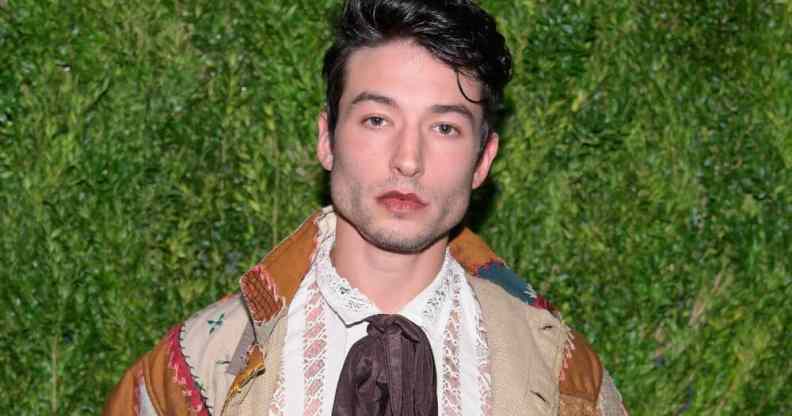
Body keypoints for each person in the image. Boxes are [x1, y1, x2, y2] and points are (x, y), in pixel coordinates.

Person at [104, 0, 628, 415]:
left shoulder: (560, 375)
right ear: (327, 139)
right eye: (377, 119)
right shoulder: (199, 368)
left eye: (444, 128)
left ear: (482, 160)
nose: (408, 160)